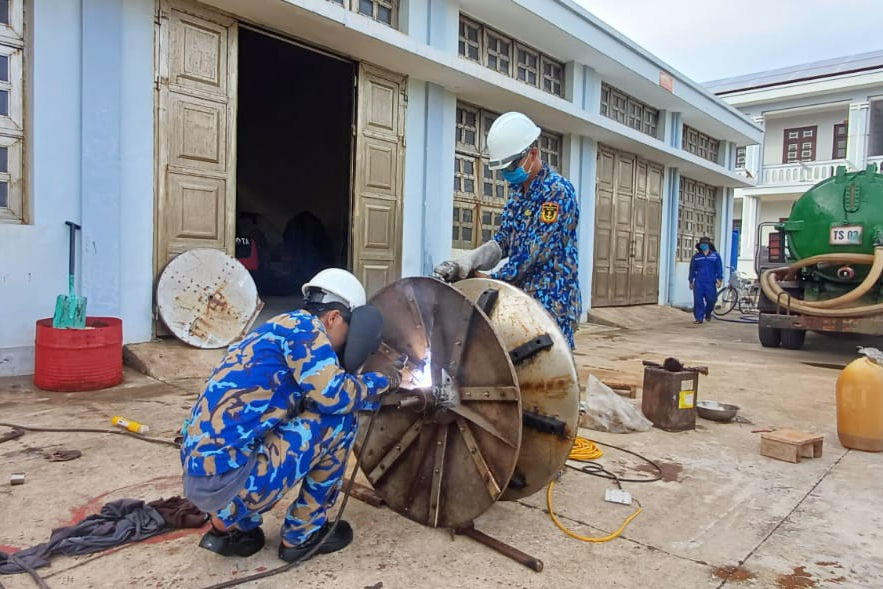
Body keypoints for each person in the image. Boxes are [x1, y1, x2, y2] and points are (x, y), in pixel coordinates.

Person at [179, 268, 402, 563]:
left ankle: (229, 528)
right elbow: (335, 397)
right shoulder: (307, 329)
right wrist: (384, 380)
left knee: (276, 421)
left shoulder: (275, 327)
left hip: (200, 478)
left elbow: (302, 399)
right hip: (231, 483)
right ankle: (303, 534)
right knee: (340, 421)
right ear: (333, 317)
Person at [434, 112, 582, 348]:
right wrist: (466, 263)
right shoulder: (517, 194)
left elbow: (536, 251)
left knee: (551, 372)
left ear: (532, 154)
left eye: (512, 165)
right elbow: (504, 240)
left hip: (552, 301)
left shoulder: (557, 192)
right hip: (521, 300)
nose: (507, 173)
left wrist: (491, 281)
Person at [689, 236, 723, 324]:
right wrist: (691, 281)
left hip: (710, 282)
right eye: (702, 245)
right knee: (698, 301)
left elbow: (719, 268)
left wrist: (720, 279)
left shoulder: (715, 256)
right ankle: (699, 318)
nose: (703, 246)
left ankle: (708, 313)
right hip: (699, 282)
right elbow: (692, 269)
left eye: (705, 244)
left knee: (712, 299)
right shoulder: (696, 257)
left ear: (708, 245)